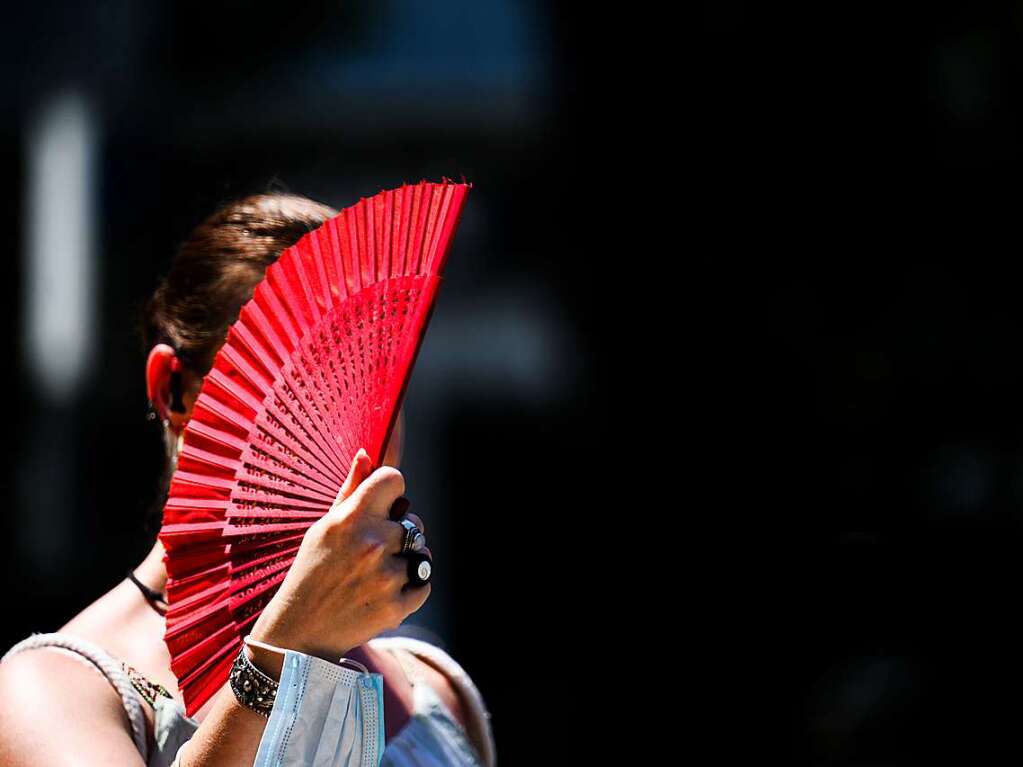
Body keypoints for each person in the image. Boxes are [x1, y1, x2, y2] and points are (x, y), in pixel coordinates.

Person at [0, 192, 497, 767]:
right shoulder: (55, 692)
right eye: (296, 391)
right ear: (172, 390)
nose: (347, 437)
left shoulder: (436, 688)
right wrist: (284, 651)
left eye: (375, 391)